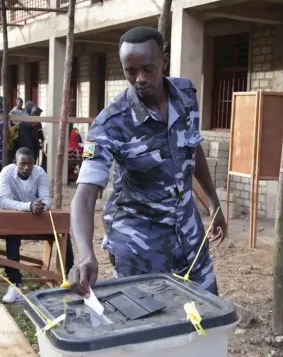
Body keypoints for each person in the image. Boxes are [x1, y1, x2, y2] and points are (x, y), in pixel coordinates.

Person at [69, 27, 227, 298]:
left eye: (148, 68)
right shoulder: (111, 123)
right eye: (130, 71)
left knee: (207, 315)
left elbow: (192, 147)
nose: (139, 79)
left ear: (163, 60)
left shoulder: (186, 94)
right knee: (149, 328)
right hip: (139, 248)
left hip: (189, 237)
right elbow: (83, 197)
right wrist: (85, 254)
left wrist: (213, 202)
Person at [0, 147, 75, 303]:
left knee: (62, 232)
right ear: (15, 163)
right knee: (12, 238)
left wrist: (41, 205)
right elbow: (3, 200)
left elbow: (46, 198)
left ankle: (69, 276)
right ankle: (15, 283)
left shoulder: (39, 173)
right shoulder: (6, 173)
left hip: (37, 217)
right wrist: (28, 206)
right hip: (17, 218)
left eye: (30, 163)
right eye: (22, 164)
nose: (27, 167)